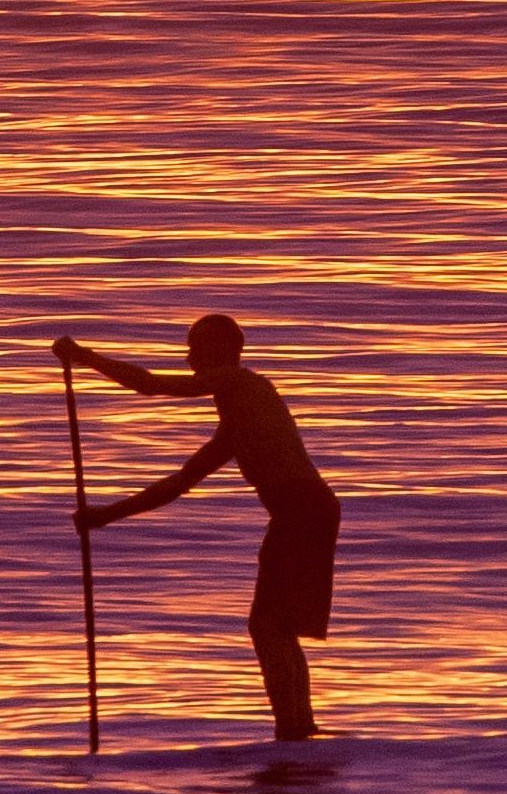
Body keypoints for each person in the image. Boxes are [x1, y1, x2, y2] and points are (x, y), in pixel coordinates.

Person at [56, 315, 339, 742]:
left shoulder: (244, 384)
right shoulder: (238, 421)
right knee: (275, 626)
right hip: (304, 512)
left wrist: (84, 358)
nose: (189, 358)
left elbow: (150, 385)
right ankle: (298, 728)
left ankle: (294, 730)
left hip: (303, 510)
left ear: (224, 352)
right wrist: (104, 516)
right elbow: (178, 484)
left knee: (267, 625)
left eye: (196, 348)